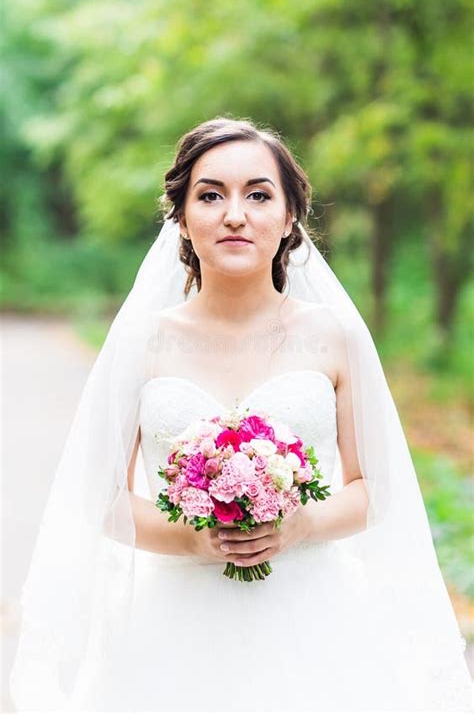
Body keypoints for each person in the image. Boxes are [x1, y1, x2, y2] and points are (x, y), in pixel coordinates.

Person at [10, 117, 472, 712]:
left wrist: (299, 524)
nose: (235, 214)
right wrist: (195, 538)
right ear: (180, 217)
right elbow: (103, 499)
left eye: (258, 194)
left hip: (315, 627)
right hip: (169, 636)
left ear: (288, 219)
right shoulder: (142, 343)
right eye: (210, 195)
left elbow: (372, 488)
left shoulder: (331, 337)